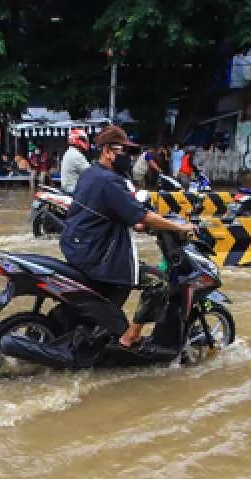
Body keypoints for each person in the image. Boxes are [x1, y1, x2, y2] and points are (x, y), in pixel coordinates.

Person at [59, 125, 195, 350]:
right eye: (122, 151)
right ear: (107, 151)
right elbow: (142, 214)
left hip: (79, 248)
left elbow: (119, 213)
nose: (127, 157)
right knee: (159, 282)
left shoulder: (91, 174)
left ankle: (106, 329)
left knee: (130, 277)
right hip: (97, 255)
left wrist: (140, 223)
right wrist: (178, 227)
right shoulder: (109, 181)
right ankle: (130, 338)